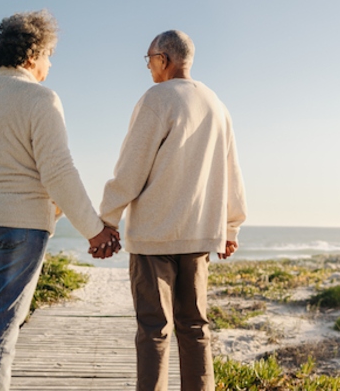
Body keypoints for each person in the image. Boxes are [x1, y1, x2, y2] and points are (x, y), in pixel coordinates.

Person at [0, 9, 120, 391]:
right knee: (0, 331)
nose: (49, 64)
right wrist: (94, 231)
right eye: (49, 56)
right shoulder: (40, 98)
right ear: (32, 54)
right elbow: (58, 170)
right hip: (20, 225)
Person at [100, 30, 247, 391]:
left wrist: (106, 219)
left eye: (149, 59)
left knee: (154, 330)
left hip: (154, 235)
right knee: (195, 328)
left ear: (163, 58)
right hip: (198, 234)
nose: (148, 67)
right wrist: (231, 228)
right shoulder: (216, 103)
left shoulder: (157, 98)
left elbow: (131, 168)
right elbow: (232, 171)